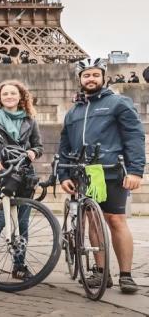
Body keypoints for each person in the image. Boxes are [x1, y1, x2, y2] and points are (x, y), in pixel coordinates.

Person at [58, 58, 145, 293]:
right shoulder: (73, 112)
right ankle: (100, 271)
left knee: (116, 220)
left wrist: (136, 170)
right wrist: (63, 174)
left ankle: (126, 274)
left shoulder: (119, 103)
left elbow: (134, 137)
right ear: (79, 79)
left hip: (111, 171)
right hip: (84, 174)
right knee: (94, 223)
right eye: (86, 75)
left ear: (103, 77)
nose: (91, 79)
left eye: (95, 74)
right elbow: (64, 145)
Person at [0, 80, 43, 281]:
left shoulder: (30, 120)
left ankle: (19, 267)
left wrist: (33, 152)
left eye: (13, 93)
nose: (9, 97)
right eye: (5, 94)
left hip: (24, 175)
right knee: (0, 219)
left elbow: (39, 146)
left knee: (22, 223)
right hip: (2, 173)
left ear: (21, 96)